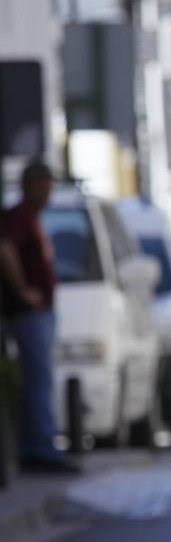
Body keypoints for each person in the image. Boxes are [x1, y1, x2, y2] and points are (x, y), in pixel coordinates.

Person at [0, 160, 79, 474]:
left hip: (39, 311)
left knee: (40, 379)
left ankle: (38, 446)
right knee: (38, 380)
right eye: (44, 186)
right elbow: (5, 250)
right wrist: (23, 291)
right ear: (31, 186)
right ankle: (39, 451)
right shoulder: (19, 216)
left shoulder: (31, 217)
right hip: (29, 313)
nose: (48, 193)